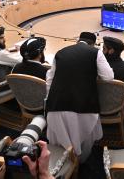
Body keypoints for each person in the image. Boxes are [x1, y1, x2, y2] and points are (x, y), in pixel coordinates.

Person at [45, 32, 114, 162]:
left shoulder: (60, 52)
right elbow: (108, 77)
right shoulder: (95, 52)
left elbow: (50, 79)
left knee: (61, 141)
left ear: (78, 40)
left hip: (57, 105)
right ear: (93, 44)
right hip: (84, 107)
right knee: (83, 138)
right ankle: (79, 162)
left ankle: (62, 163)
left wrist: (50, 100)